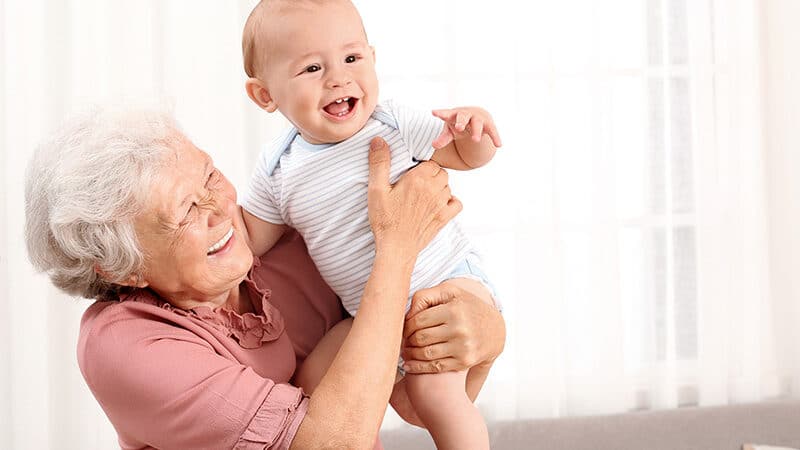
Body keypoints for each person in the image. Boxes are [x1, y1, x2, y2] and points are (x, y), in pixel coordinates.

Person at [24, 104, 505, 449]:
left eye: (209, 177)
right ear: (118, 265)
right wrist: (395, 248)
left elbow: (413, 402)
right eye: (184, 212)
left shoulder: (294, 243)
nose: (220, 211)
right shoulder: (123, 343)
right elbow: (332, 445)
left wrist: (486, 333)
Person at [240, 1, 502, 448]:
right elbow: (248, 239)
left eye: (351, 58)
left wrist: (474, 135)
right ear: (266, 95)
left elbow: (460, 157)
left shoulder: (392, 122)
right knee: (313, 383)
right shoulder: (278, 167)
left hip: (445, 284)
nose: (338, 78)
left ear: (372, 59)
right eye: (311, 68)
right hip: (371, 315)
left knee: (433, 393)